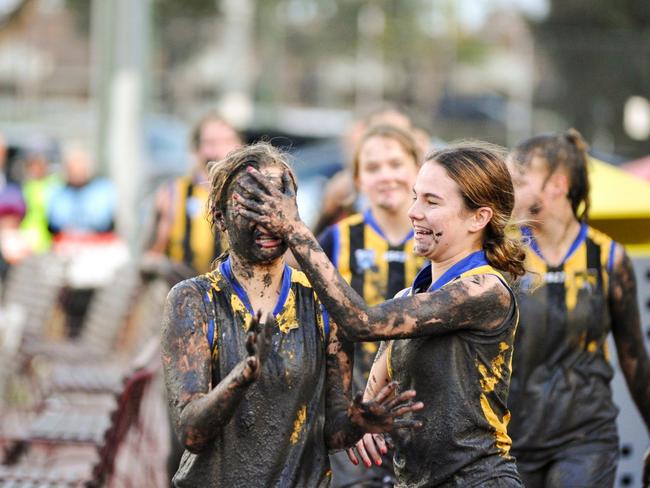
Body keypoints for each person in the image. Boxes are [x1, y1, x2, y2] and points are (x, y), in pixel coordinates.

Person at [234, 142, 527, 487]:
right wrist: (362, 421)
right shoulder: (409, 296)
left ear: (479, 217)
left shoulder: (486, 290)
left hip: (480, 479)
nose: (414, 211)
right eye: (416, 197)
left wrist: (296, 230)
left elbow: (363, 322)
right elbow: (368, 402)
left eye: (431, 201)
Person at [160, 142, 423, 487]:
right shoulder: (193, 300)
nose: (269, 220)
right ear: (220, 217)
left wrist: (360, 421)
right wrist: (243, 375)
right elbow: (191, 433)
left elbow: (332, 434)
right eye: (252, 205)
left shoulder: (322, 299)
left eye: (279, 204)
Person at [506, 129, 650, 487]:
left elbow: (633, 356)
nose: (507, 192)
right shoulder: (504, 255)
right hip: (510, 438)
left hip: (585, 437)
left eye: (519, 182)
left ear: (558, 185)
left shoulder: (607, 257)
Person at [318, 124, 426, 485]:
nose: (387, 176)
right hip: (357, 415)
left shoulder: (443, 239)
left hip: (427, 415)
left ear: (417, 169)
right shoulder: (337, 239)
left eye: (396, 163)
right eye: (373, 167)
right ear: (358, 179)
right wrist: (346, 416)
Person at [145, 113, 242, 280]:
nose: (219, 151)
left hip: (236, 285)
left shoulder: (249, 192)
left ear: (240, 146)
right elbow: (153, 253)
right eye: (211, 143)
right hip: (182, 281)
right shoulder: (174, 192)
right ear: (196, 149)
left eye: (227, 141)